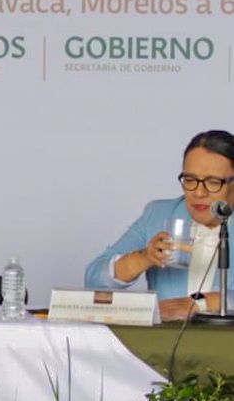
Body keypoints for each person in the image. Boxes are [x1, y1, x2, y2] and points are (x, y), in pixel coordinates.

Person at [85, 130, 234, 322]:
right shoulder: (158, 214)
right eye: (190, 180)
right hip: (165, 338)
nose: (199, 192)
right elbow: (94, 280)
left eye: (213, 182)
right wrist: (144, 258)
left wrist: (201, 303)